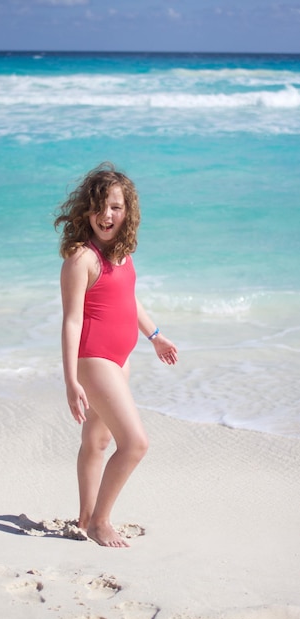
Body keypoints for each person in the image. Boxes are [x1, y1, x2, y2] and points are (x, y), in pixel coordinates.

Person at [54, 163, 178, 548]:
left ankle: (86, 516)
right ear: (86, 210)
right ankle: (101, 522)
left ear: (128, 211)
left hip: (121, 358)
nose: (106, 216)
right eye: (99, 207)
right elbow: (72, 321)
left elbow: (128, 299)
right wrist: (71, 380)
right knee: (135, 443)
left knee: (97, 441)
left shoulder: (123, 253)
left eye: (116, 207)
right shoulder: (82, 260)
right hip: (94, 359)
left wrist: (154, 335)